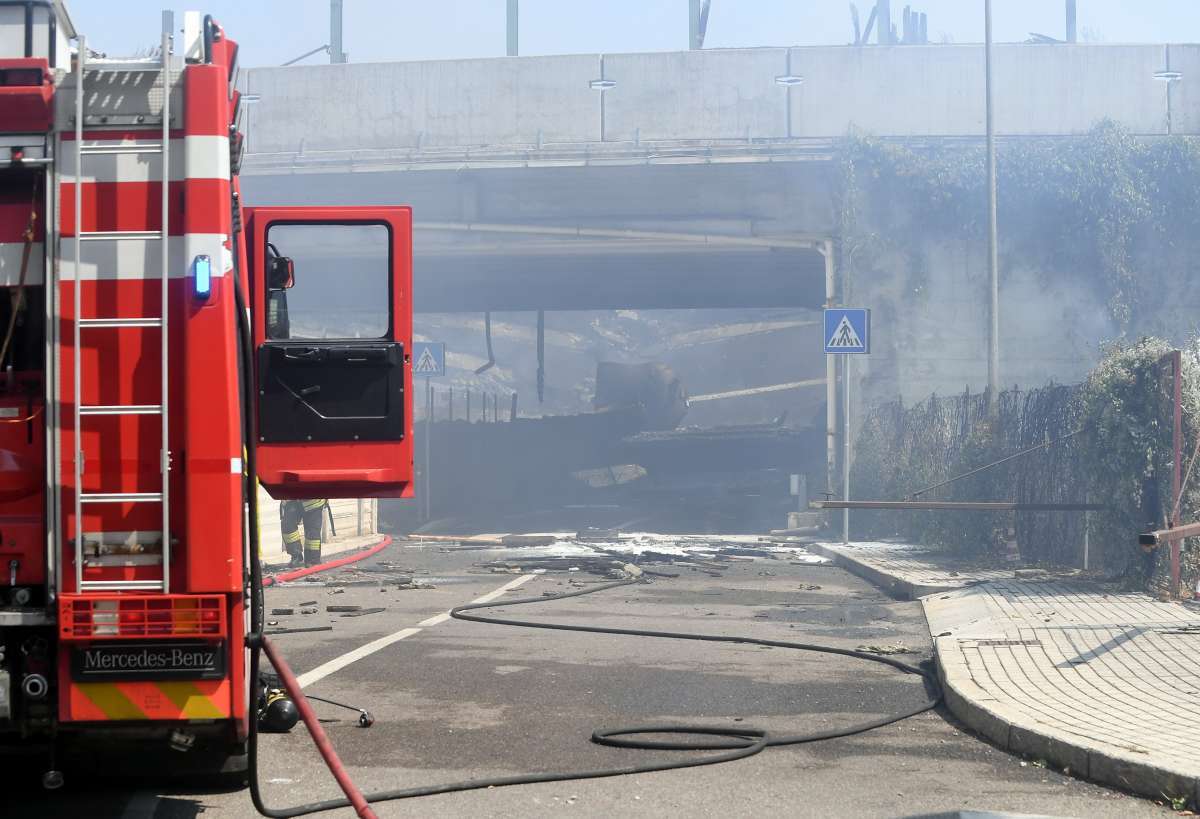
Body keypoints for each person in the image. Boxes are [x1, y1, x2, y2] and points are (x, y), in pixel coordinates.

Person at [279, 499, 328, 567]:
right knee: (287, 525)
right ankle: (296, 555)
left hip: (313, 501)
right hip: (293, 500)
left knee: (312, 532)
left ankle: (312, 559)